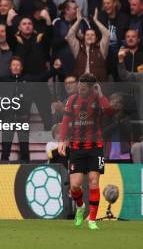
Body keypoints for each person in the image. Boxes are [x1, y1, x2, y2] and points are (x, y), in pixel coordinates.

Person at [58, 73, 114, 230]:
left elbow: (110, 113)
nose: (80, 88)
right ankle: (81, 207)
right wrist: (62, 140)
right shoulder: (72, 100)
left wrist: (101, 94)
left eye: (83, 87)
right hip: (76, 148)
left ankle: (92, 219)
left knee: (94, 182)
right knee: (75, 186)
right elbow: (65, 122)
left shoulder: (98, 99)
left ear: (91, 88)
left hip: (95, 147)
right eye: (79, 85)